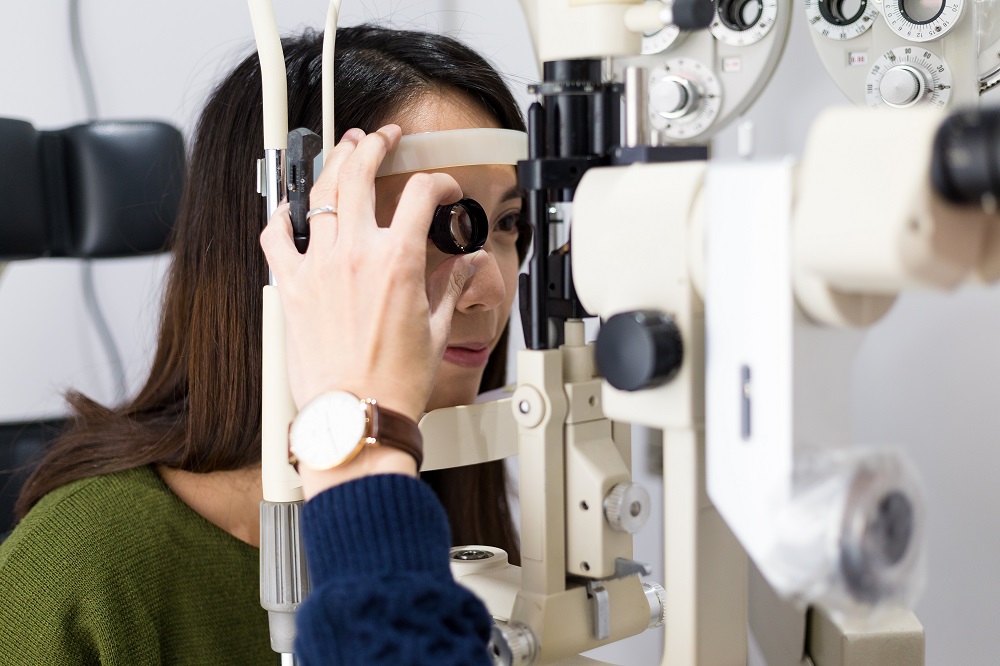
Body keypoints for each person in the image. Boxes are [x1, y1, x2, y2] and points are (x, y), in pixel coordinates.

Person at [0, 26, 530, 664]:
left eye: (505, 224)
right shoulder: (82, 563)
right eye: (431, 222)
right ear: (283, 243)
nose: (493, 288)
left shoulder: (449, 516)